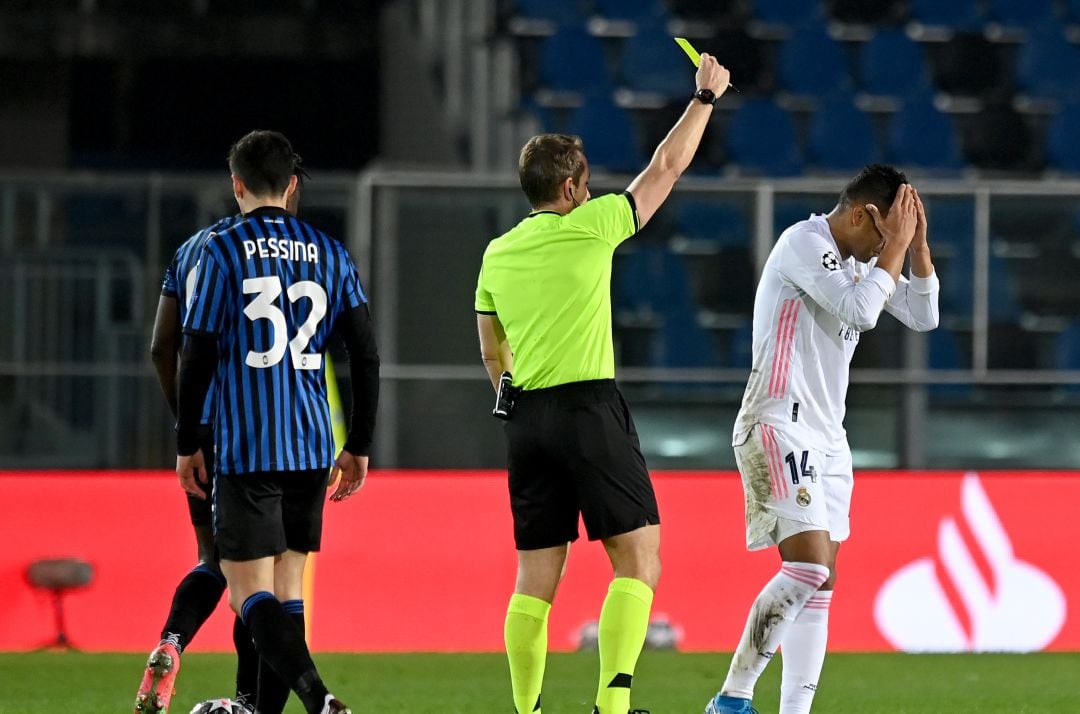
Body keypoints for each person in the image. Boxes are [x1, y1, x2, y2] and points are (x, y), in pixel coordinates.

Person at [475, 56, 731, 714]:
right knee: (639, 558)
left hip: (525, 418)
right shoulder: (591, 226)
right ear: (566, 190)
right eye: (584, 185)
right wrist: (704, 98)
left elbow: (490, 346)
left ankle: (527, 709)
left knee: (534, 578)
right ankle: (612, 707)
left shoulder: (498, 253)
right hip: (588, 407)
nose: (589, 195)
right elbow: (665, 169)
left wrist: (507, 386)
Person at [705, 166, 939, 714]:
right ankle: (732, 700)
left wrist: (918, 246)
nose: (889, 251)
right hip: (776, 420)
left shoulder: (863, 260)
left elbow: (924, 315)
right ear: (863, 214)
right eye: (887, 236)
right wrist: (894, 251)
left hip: (829, 437)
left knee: (822, 581)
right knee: (807, 567)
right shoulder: (804, 244)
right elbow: (862, 310)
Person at [176, 130, 379, 714]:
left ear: (236, 184)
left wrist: (188, 440)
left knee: (249, 596)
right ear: (292, 186)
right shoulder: (329, 252)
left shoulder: (220, 251)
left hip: (246, 444)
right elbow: (364, 354)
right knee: (289, 595)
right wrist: (358, 444)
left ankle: (320, 700)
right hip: (313, 445)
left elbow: (198, 351)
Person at [135, 168, 309, 714]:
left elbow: (163, 347)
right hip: (261, 432)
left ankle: (171, 641)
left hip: (204, 430)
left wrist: (188, 426)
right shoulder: (271, 257)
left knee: (214, 558)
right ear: (287, 188)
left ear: (238, 188)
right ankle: (249, 701)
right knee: (260, 580)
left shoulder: (190, 251)